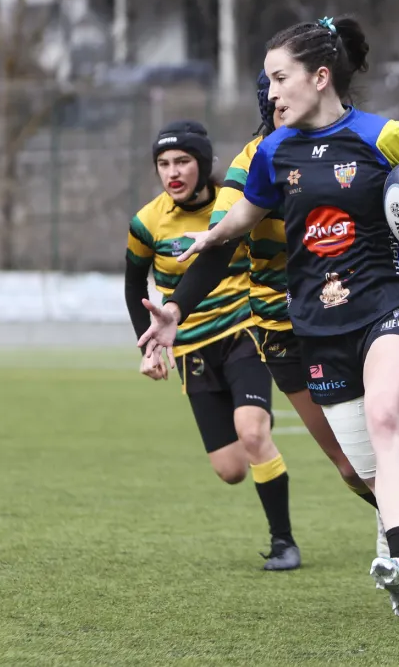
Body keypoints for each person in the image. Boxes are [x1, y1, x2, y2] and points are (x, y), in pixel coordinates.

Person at [137, 70, 399, 575]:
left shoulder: (352, 141)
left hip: (356, 311)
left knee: (387, 426)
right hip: (282, 328)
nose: (282, 102)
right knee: (349, 464)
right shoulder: (257, 161)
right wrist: (177, 309)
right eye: (273, 97)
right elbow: (221, 241)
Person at [169, 15, 399, 617]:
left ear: (320, 77)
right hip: (317, 324)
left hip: (392, 303)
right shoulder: (272, 149)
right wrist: (207, 240)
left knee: (385, 417)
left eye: (279, 79)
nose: (270, 94)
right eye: (267, 82)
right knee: (363, 469)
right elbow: (248, 213)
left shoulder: (385, 134)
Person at [124, 119, 300, 571]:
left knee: (253, 433)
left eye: (182, 161)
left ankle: (284, 543)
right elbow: (133, 288)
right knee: (231, 470)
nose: (172, 172)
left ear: (203, 164)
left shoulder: (236, 207)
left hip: (244, 333)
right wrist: (148, 347)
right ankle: (254, 428)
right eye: (163, 164)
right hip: (193, 351)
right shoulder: (146, 222)